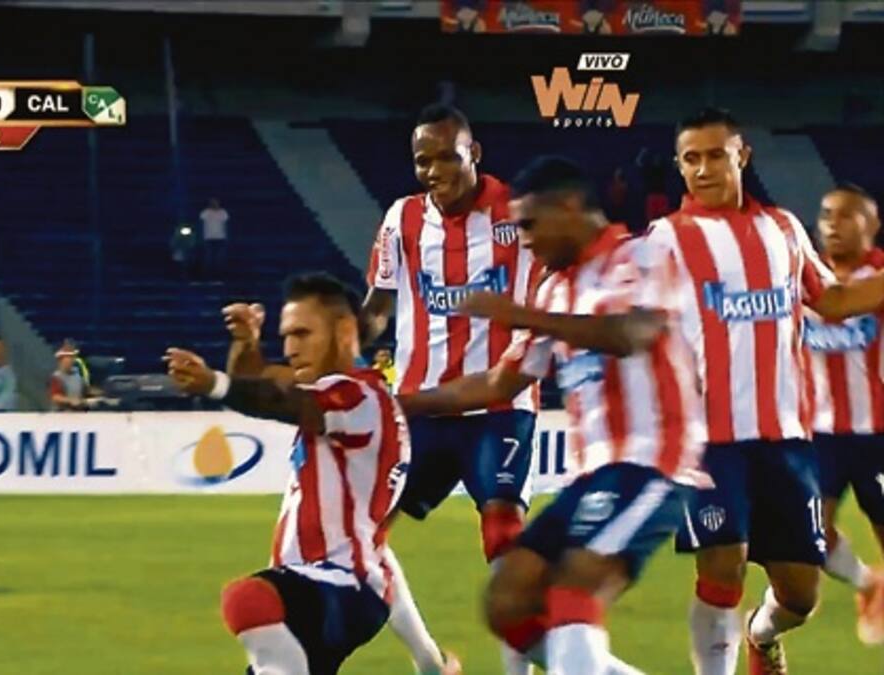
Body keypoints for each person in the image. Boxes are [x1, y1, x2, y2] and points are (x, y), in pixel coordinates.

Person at [401, 156, 701, 674]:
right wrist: (402, 403)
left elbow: (629, 334)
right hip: (589, 476)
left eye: (530, 225)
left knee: (574, 589)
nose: (524, 240)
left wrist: (522, 315)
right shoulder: (553, 289)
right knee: (508, 600)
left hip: (653, 463)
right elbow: (498, 384)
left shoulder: (642, 256)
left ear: (569, 207)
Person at [646, 108, 884, 675]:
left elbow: (832, 300)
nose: (703, 169)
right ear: (680, 166)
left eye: (715, 155)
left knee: (799, 594)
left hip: (786, 439)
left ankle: (762, 634)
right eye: (691, 159)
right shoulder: (666, 239)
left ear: (742, 155)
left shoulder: (783, 230)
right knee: (721, 568)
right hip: (708, 441)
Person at [168, 273, 461, 675]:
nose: (290, 349)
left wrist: (215, 384)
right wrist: (247, 343)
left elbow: (279, 400)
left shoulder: (358, 396)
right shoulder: (347, 397)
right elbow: (261, 384)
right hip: (331, 588)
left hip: (338, 587)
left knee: (248, 600)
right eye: (286, 336)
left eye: (302, 334)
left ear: (344, 331)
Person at [361, 103, 542, 675]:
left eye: (447, 157)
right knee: (361, 536)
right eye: (423, 161)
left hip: (499, 405)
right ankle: (430, 662)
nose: (434, 171)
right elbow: (378, 305)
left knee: (503, 534)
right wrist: (343, 352)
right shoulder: (402, 218)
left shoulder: (519, 213)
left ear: (474, 153)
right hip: (419, 410)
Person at [802, 183, 884, 644]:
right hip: (821, 433)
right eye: (826, 214)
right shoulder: (805, 275)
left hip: (878, 431)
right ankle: (867, 582)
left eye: (846, 215)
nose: (833, 224)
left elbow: (838, 304)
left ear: (872, 225)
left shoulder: (878, 278)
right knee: (808, 530)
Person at [49, 340, 89, 412]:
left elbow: (84, 391)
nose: (70, 360)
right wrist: (70, 400)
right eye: (67, 358)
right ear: (60, 361)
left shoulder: (78, 376)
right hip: (61, 413)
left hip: (78, 412)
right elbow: (55, 397)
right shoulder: (56, 377)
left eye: (71, 357)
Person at [200, 197, 230, 275]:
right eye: (213, 202)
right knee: (208, 258)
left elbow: (225, 225)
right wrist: (202, 237)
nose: (215, 204)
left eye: (216, 202)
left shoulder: (223, 212)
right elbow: (201, 224)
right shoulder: (205, 212)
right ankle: (208, 275)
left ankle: (219, 275)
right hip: (208, 237)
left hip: (220, 237)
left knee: (219, 258)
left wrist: (226, 236)